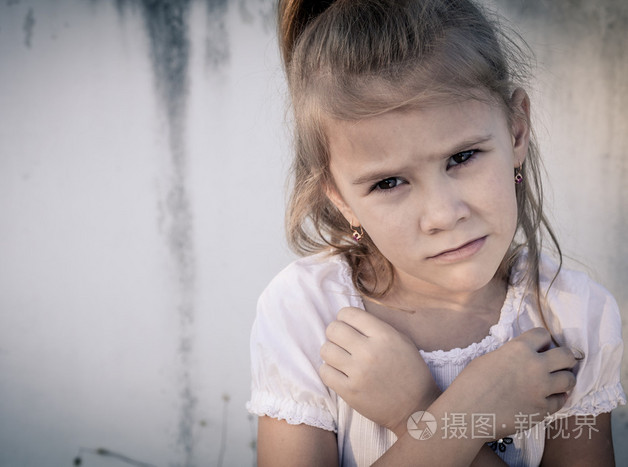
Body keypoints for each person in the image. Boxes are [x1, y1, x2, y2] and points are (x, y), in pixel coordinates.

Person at [247, 0, 626, 465]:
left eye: (462, 156)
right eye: (388, 182)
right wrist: (463, 414)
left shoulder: (575, 318)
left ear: (516, 130)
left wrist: (418, 411)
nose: (443, 215)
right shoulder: (307, 314)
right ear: (339, 196)